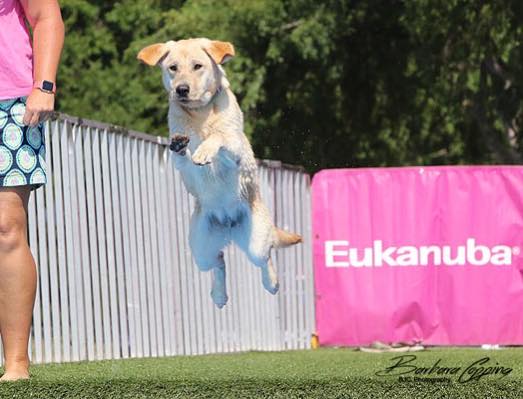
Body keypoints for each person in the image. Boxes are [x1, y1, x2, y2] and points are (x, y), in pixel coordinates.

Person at [0, 0, 64, 380]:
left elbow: (46, 17)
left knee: (6, 228)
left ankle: (16, 363)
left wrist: (44, 85)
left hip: (9, 102)